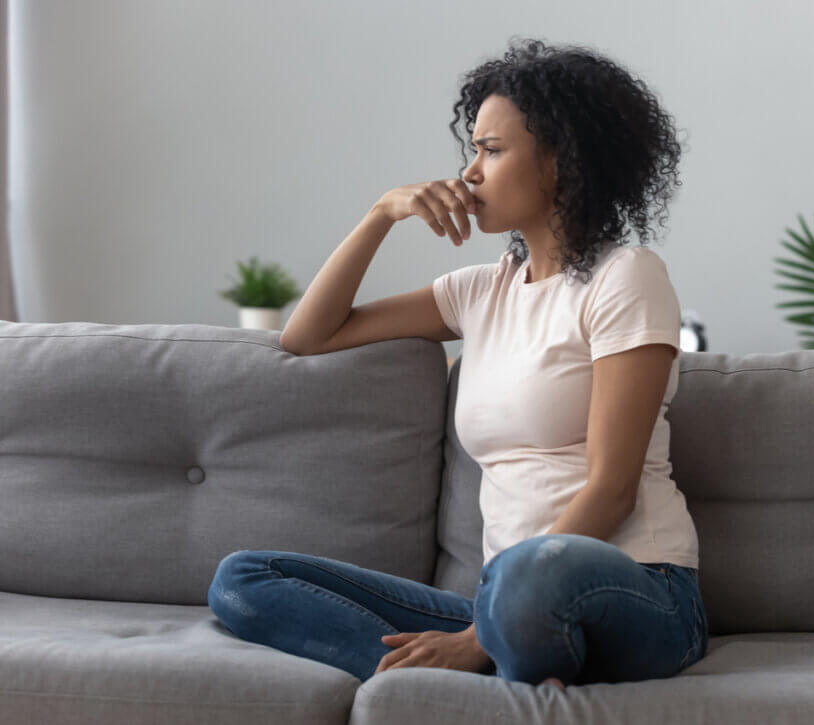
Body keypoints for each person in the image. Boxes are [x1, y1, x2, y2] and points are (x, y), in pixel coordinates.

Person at [208, 36, 708, 689]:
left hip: (640, 591)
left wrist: (476, 634)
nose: (470, 171)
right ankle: (466, 675)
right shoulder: (479, 290)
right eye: (472, 148)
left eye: (493, 150)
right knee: (244, 578)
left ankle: (487, 657)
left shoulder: (626, 277)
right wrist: (382, 212)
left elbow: (612, 488)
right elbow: (308, 335)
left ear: (561, 161)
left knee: (526, 576)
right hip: (503, 608)